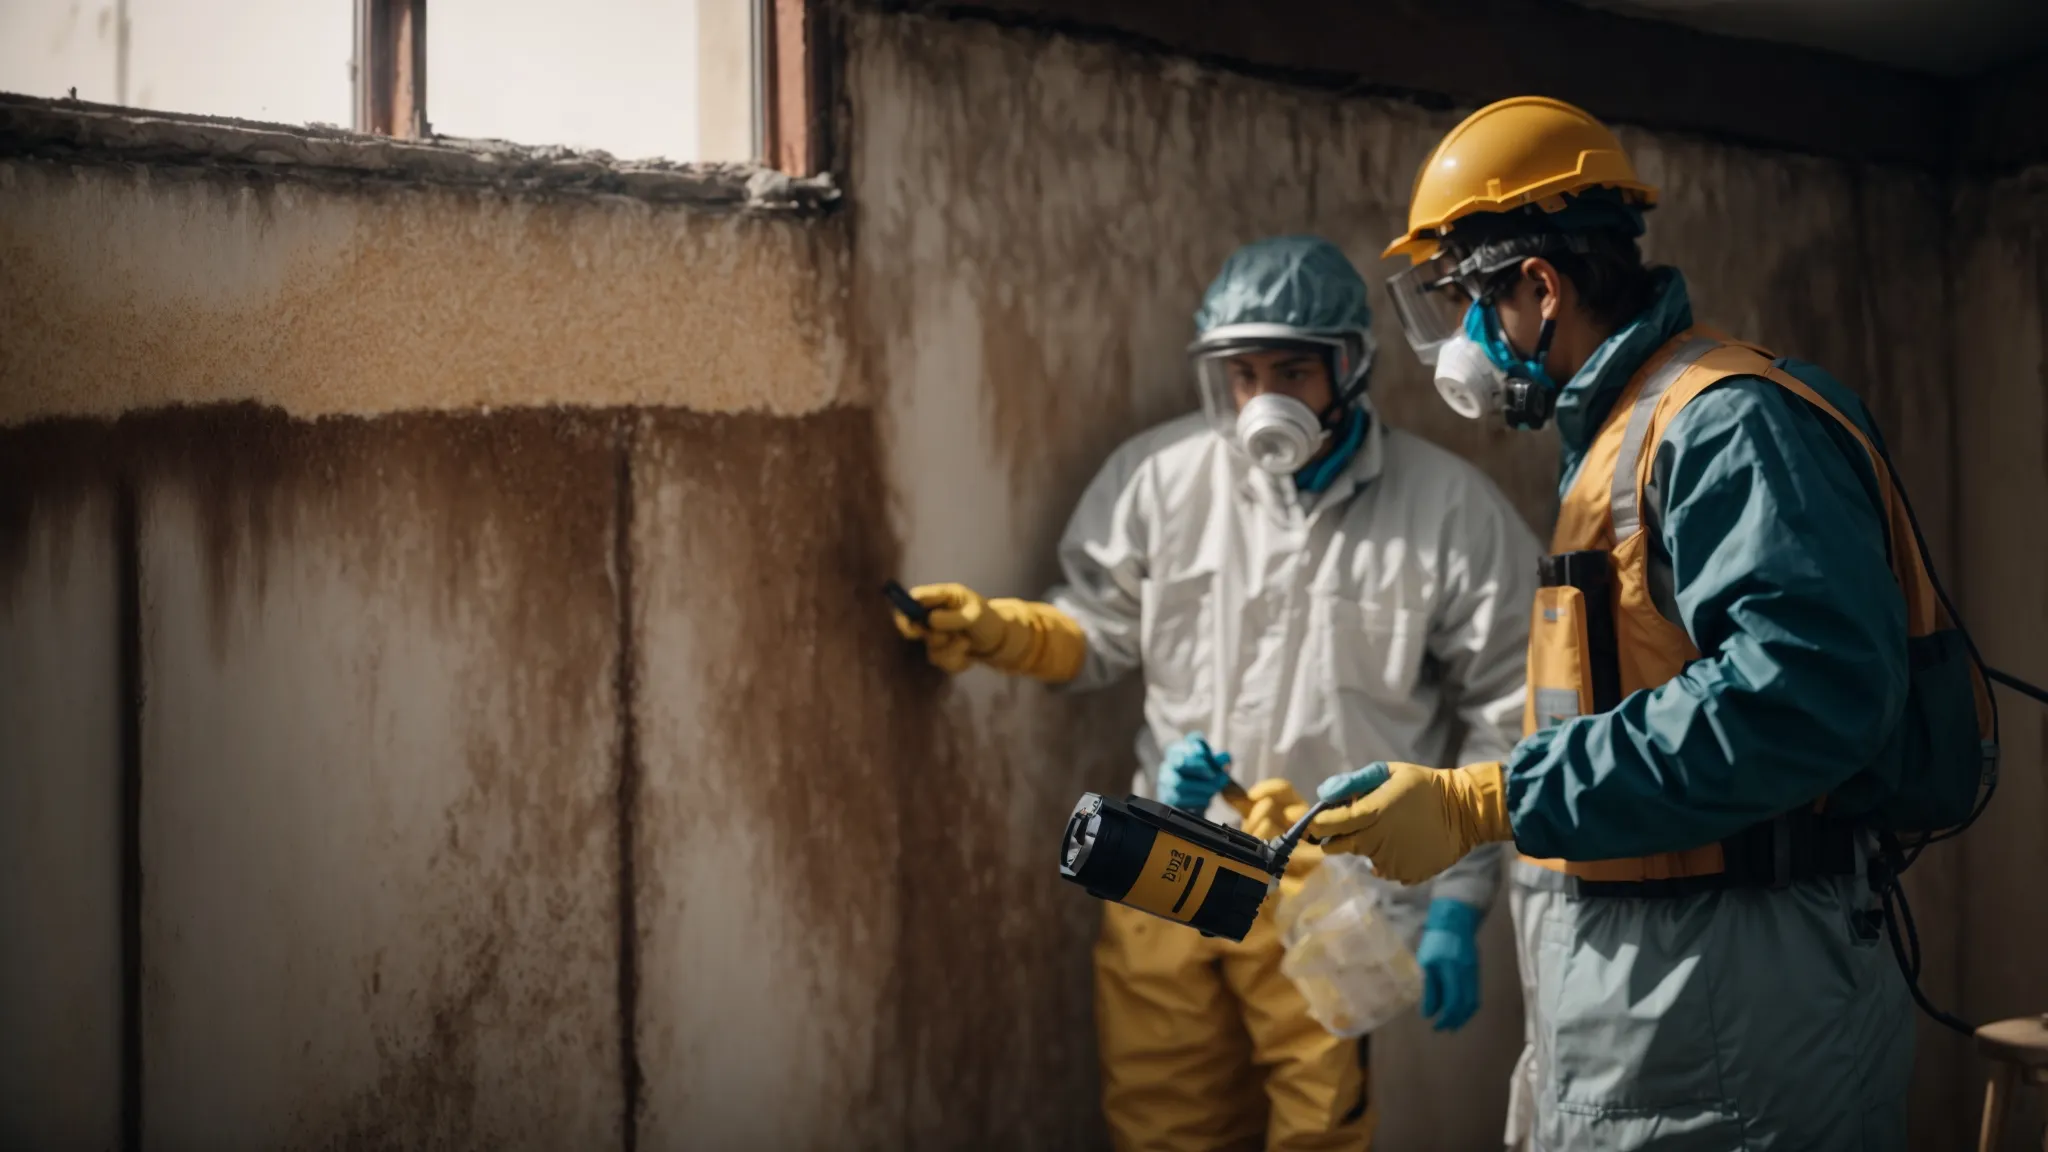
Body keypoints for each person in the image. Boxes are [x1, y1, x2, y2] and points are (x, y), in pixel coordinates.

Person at [1303, 96, 1992, 1151]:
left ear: (1538, 286)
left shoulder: (1723, 424)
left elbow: (1800, 693)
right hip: (1668, 993)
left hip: (1738, 1002)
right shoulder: (1621, 436)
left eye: (1463, 302)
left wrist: (1491, 798)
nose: (1460, 339)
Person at [890, 234, 1540, 1151]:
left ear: (1349, 369)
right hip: (1169, 869)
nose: (1262, 398)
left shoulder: (1448, 512)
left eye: (1291, 370)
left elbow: (1509, 708)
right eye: (1241, 374)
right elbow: (1099, 629)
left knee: (1320, 1134)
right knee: (1165, 1129)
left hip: (1333, 891)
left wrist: (1457, 902)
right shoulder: (1160, 480)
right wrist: (1005, 632)